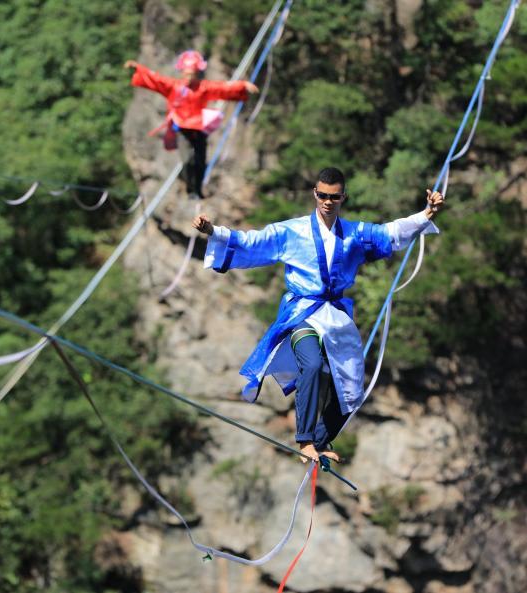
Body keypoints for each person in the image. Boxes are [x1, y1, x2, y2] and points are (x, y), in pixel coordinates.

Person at [192, 167, 445, 462]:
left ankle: (321, 442)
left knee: (352, 390)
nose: (327, 202)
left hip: (336, 317)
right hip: (303, 313)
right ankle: (305, 440)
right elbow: (251, 242)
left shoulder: (354, 234)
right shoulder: (291, 231)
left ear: (343, 198)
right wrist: (213, 231)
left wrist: (427, 213)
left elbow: (390, 232)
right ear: (315, 194)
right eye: (322, 195)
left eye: (334, 197)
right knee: (311, 365)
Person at [124, 50, 259, 200]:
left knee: (201, 161)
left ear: (196, 74)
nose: (189, 77)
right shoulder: (173, 86)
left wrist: (243, 85)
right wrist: (137, 68)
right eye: (186, 73)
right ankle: (190, 188)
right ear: (182, 73)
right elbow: (156, 79)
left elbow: (222, 88)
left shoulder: (203, 87)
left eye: (192, 74)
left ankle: (198, 189)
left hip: (199, 127)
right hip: (182, 128)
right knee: (188, 159)